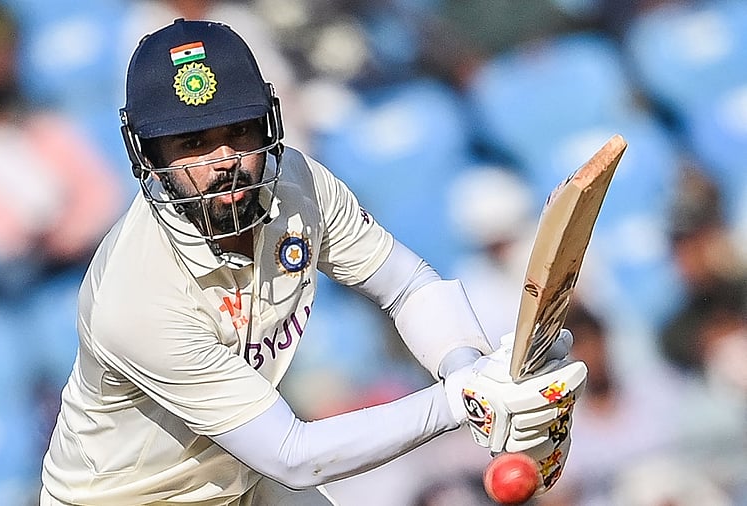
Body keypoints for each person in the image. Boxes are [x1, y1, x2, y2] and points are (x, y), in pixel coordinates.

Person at [39, 19, 587, 506]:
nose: (225, 161)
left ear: (269, 123)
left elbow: (404, 284)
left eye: (239, 131)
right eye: (193, 143)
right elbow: (293, 456)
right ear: (148, 153)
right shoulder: (137, 297)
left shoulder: (298, 185)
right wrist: (462, 402)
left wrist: (467, 370)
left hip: (240, 479)